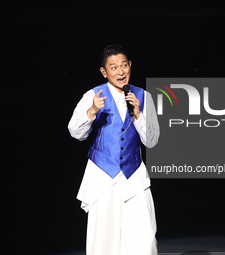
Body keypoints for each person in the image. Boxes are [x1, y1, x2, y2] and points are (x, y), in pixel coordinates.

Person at [68, 44, 160, 255]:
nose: (120, 72)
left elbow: (152, 140)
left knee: (145, 240)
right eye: (114, 67)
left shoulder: (143, 96)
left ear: (130, 66)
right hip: (103, 176)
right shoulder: (93, 95)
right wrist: (92, 110)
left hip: (133, 176)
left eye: (124, 65)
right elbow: (75, 132)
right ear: (104, 71)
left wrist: (138, 113)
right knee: (104, 242)